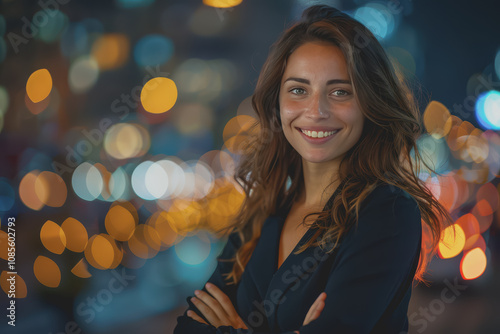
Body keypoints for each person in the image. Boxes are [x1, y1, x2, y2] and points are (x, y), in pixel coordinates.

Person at [174, 4, 452, 334]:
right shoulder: (265, 210)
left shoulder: (387, 213)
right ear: (277, 102)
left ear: (369, 103)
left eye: (339, 91)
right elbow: (187, 327)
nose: (316, 111)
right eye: (298, 90)